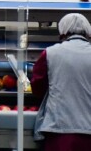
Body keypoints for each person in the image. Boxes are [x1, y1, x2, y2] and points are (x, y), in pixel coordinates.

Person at [31, 13, 91, 150]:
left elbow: (37, 88)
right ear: (88, 33)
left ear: (62, 32)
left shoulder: (50, 53)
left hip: (59, 131)